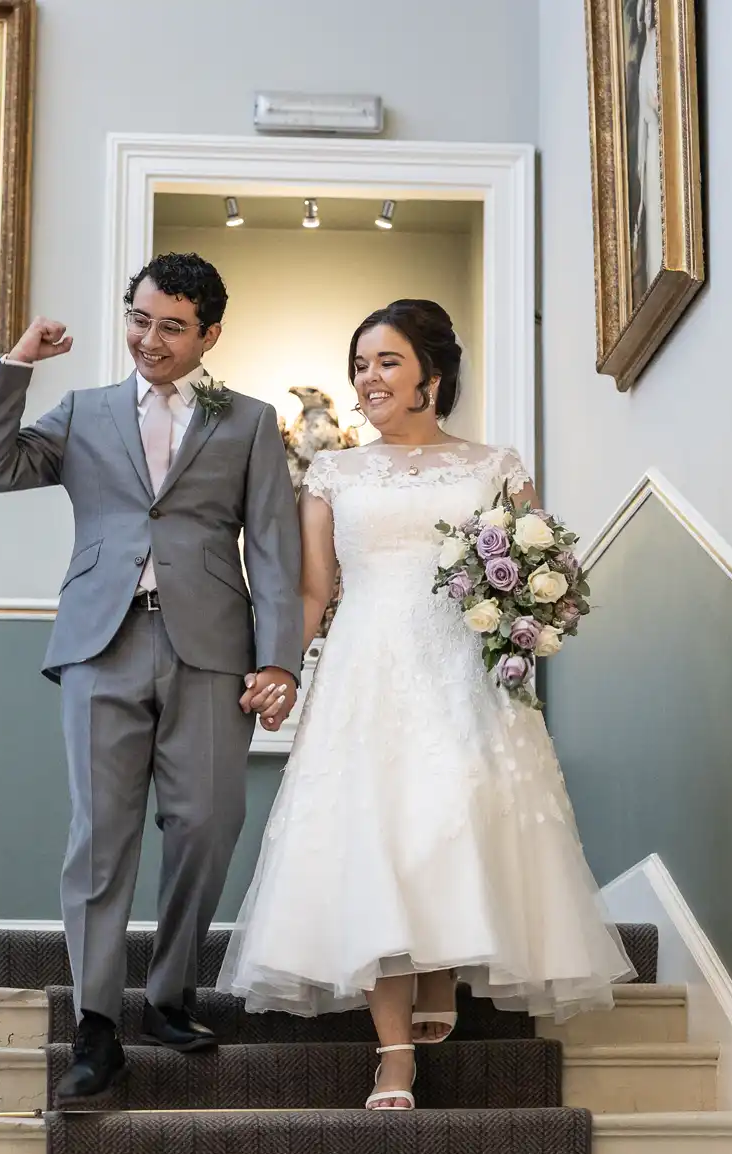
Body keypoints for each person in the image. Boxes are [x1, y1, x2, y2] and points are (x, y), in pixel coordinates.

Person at [216, 299, 634, 1111]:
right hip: (367, 666)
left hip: (462, 671)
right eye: (361, 365)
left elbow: (532, 560)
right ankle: (394, 1056)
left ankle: (440, 966)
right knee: (378, 831)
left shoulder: (495, 465)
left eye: (387, 363)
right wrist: (279, 667)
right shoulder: (334, 472)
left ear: (430, 378)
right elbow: (314, 589)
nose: (368, 379)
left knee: (447, 819)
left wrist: (535, 614)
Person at [0, 254, 304, 1101]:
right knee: (100, 837)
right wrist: (16, 366)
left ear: (209, 335)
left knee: (209, 823)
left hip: (213, 648)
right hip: (99, 641)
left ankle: (170, 992)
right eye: (140, 319)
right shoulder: (82, 411)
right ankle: (95, 1024)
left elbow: (271, 546)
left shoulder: (252, 422)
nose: (150, 339)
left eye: (172, 326)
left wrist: (279, 658)